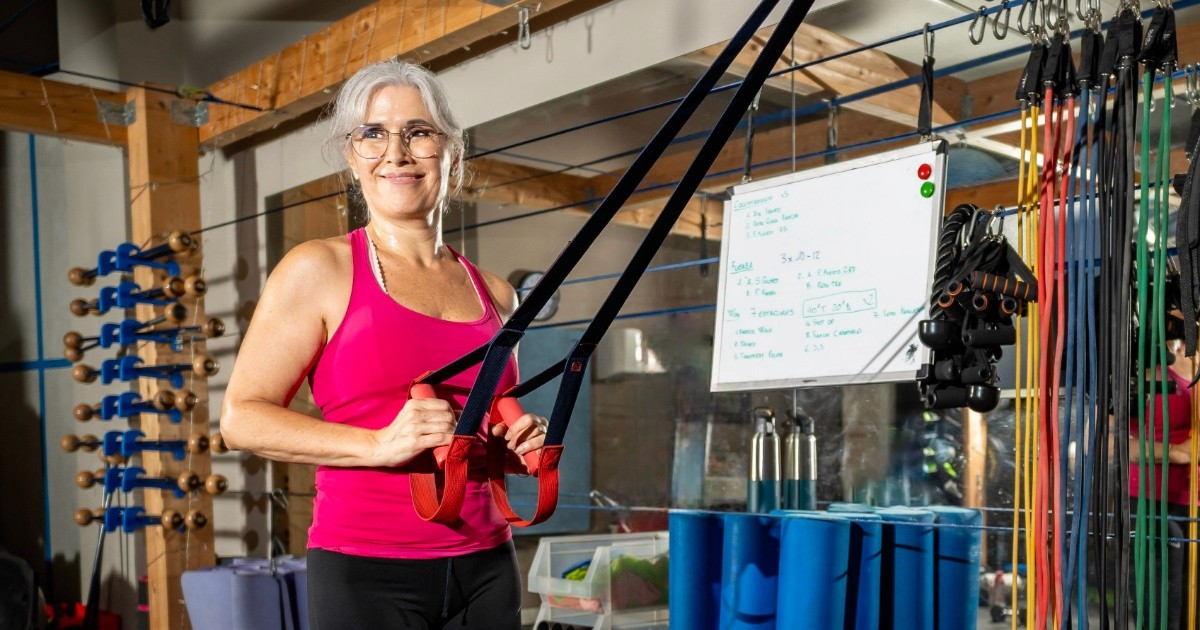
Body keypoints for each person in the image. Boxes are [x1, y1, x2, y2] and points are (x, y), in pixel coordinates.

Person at [221, 60, 547, 630]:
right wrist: (377, 445)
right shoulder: (319, 269)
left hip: (488, 566)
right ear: (353, 155)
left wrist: (514, 447)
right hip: (367, 571)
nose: (396, 152)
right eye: (373, 134)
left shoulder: (495, 292)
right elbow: (241, 420)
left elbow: (483, 429)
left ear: (450, 150)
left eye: (418, 132)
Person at [1128, 305, 1199, 630]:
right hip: (1148, 501)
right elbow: (1110, 444)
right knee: (1161, 612)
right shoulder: (1145, 369)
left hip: (1193, 504)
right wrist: (1175, 453)